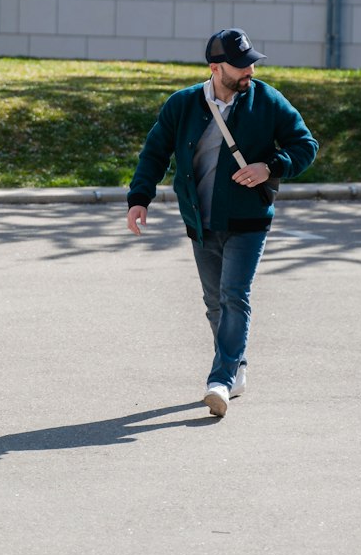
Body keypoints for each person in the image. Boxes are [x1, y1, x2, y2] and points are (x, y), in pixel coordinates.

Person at [126, 28, 319, 418]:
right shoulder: (182, 105)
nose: (249, 69)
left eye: (252, 62)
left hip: (249, 220)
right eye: (240, 64)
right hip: (202, 221)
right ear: (216, 68)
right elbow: (155, 153)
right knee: (214, 303)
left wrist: (271, 167)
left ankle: (220, 379)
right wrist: (139, 199)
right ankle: (238, 365)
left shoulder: (267, 100)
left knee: (235, 295)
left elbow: (305, 145)